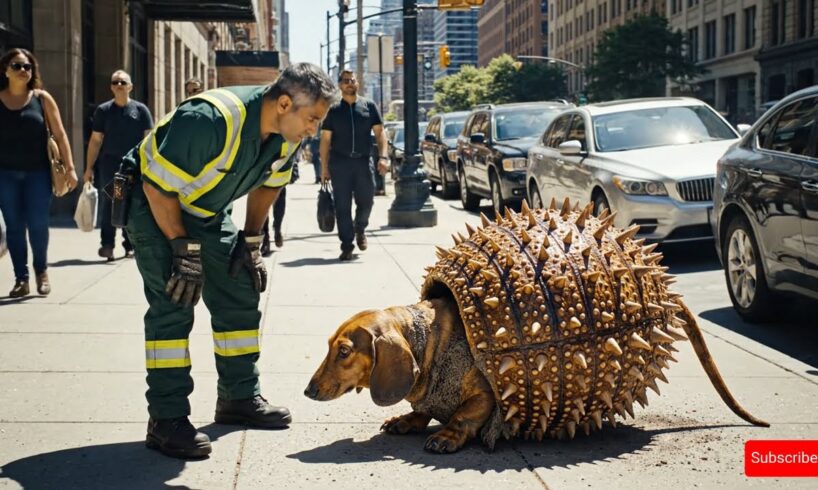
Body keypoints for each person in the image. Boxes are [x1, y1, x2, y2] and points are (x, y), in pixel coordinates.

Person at [119, 62, 338, 459]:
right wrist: (182, 250)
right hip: (154, 210)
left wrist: (250, 240)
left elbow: (268, 187)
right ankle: (165, 419)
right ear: (284, 103)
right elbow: (157, 187)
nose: (314, 130)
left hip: (205, 211)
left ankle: (238, 398)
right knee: (174, 303)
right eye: (312, 119)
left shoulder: (287, 136)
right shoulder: (209, 120)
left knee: (240, 288)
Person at [0, 48, 78, 298]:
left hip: (39, 174)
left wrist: (71, 168)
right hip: (5, 174)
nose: (23, 70)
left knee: (38, 225)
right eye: (17, 66)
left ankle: (41, 271)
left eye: (27, 67)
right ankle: (21, 279)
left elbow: (61, 134)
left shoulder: (42, 99)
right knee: (13, 227)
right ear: (5, 70)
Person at [84, 70, 153, 260]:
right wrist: (89, 168)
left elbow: (148, 139)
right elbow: (96, 140)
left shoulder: (141, 110)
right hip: (110, 166)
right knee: (111, 203)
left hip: (134, 165)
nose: (119, 85)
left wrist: (149, 166)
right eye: (115, 82)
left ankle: (129, 245)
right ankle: (107, 246)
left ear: (130, 86)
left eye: (123, 82)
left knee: (131, 203)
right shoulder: (103, 111)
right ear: (111, 87)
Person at [319, 70, 388, 261]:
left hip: (363, 162)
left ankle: (360, 228)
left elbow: (380, 133)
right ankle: (347, 245)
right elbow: (325, 140)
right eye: (346, 81)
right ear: (340, 85)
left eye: (353, 80)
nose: (350, 83)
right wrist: (324, 168)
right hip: (339, 163)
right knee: (342, 206)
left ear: (358, 83)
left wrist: (383, 157)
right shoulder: (333, 110)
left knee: (367, 200)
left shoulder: (369, 106)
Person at [260, 159, 299, 256]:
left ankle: (276, 228)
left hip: (279, 163)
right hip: (262, 165)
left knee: (278, 200)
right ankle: (266, 237)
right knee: (262, 204)